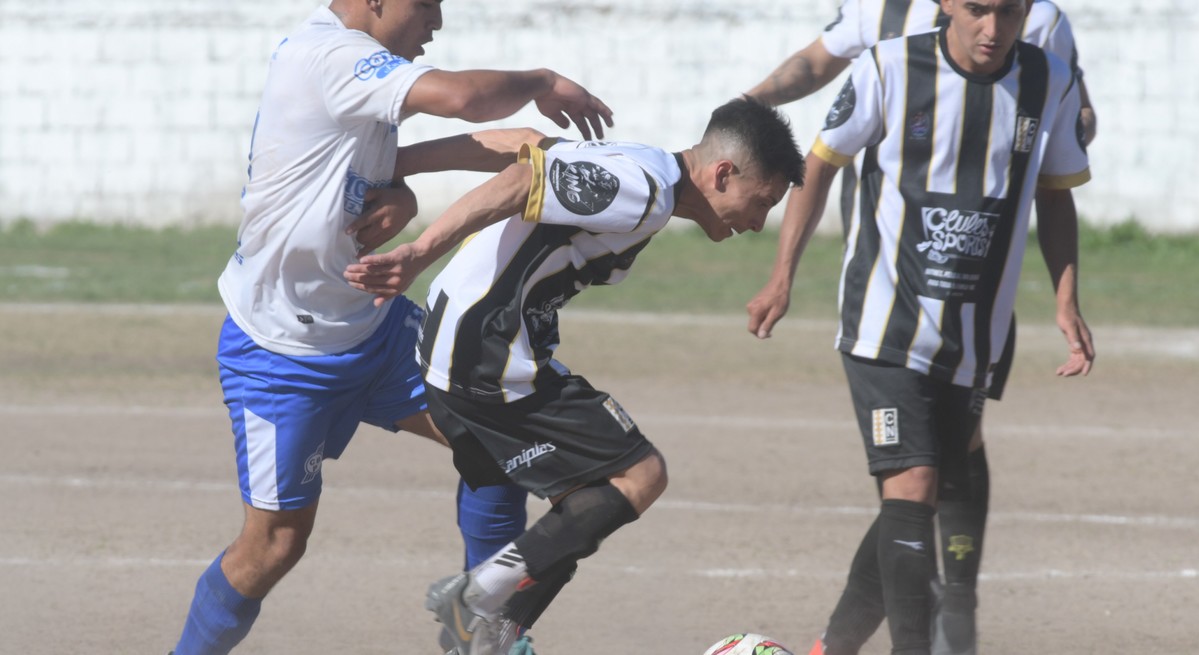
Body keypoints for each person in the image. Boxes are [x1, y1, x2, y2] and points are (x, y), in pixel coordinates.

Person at [170, 0, 615, 652]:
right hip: (282, 355)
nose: (436, 22)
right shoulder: (328, 55)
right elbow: (462, 98)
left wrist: (459, 168)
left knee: (498, 436)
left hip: (376, 331)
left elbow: (390, 159)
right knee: (274, 545)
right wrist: (543, 82)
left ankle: (487, 630)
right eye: (427, 3)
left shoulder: (359, 72)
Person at [344, 96, 806, 655]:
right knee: (640, 476)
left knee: (585, 510)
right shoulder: (645, 189)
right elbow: (520, 179)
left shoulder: (642, 164)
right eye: (761, 203)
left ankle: (492, 634)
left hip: (461, 346)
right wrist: (418, 250)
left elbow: (521, 141)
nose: (758, 224)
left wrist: (398, 164)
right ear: (724, 174)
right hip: (484, 350)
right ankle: (478, 602)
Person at [743, 2, 1097, 652]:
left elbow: (1055, 191)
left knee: (916, 500)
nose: (994, 29)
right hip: (884, 318)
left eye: (1010, 11)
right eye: (978, 10)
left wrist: (1066, 301)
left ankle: (832, 646)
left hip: (974, 332)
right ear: (945, 4)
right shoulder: (888, 66)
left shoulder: (1049, 77)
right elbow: (820, 162)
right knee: (915, 482)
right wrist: (781, 275)